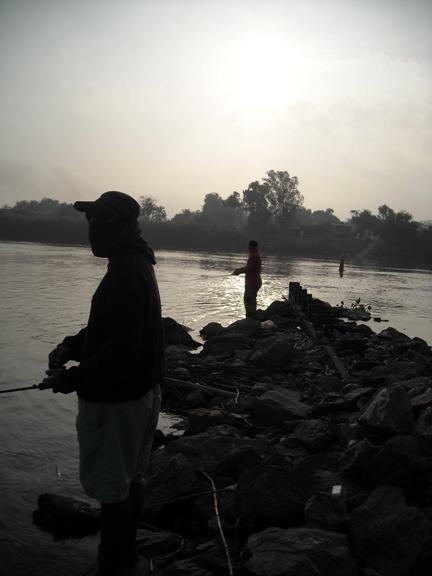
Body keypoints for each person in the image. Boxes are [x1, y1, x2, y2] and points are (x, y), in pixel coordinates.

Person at [44, 191, 165, 576]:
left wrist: (71, 379)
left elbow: (121, 352)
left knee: (113, 494)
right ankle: (126, 559)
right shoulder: (134, 263)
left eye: (105, 222)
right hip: (140, 396)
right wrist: (71, 345)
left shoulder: (128, 272)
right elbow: (111, 329)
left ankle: (111, 567)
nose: (94, 230)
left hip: (117, 405)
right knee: (131, 481)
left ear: (128, 226)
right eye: (91, 221)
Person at [232, 240, 262, 318]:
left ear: (251, 246)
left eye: (249, 246)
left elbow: (249, 269)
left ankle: (250, 319)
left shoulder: (254, 256)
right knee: (250, 300)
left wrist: (239, 272)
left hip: (252, 282)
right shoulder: (256, 255)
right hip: (254, 282)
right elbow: (248, 267)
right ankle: (251, 317)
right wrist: (238, 270)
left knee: (249, 300)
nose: (248, 247)